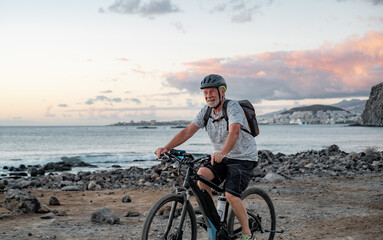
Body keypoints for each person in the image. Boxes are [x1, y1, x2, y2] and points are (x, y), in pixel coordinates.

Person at [155, 74, 258, 240]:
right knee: (201, 176)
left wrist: (223, 152)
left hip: (243, 158)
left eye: (212, 92)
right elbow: (188, 131)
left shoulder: (232, 107)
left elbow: (234, 131)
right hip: (221, 158)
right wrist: (167, 147)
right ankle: (211, 216)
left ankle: (247, 233)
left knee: (231, 194)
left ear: (222, 92)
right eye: (205, 93)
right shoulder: (206, 112)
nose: (208, 95)